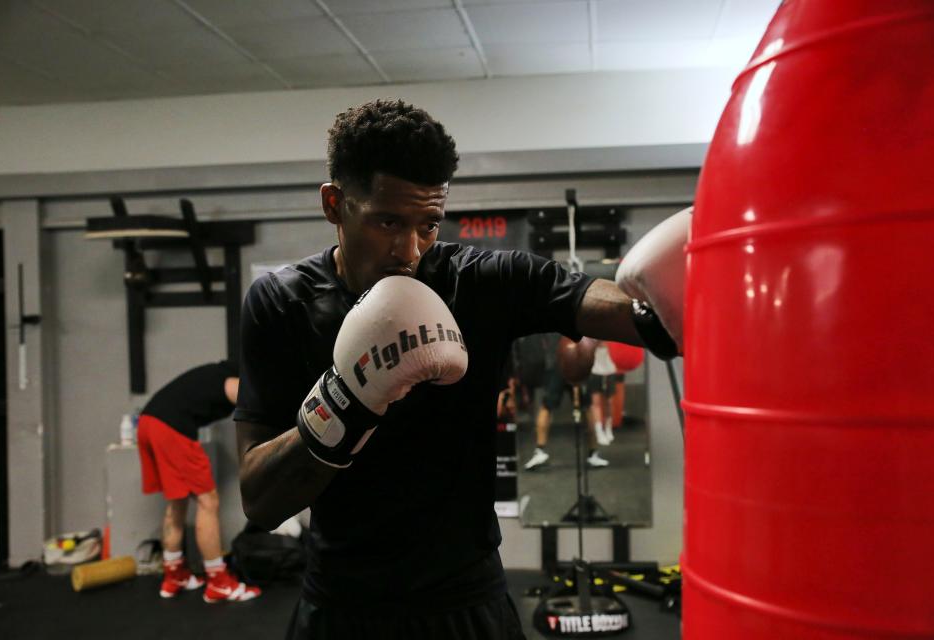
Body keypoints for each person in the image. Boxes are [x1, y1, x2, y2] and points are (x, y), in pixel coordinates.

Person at [234, 99, 680, 640]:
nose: (409, 250)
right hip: (342, 606)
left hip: (467, 603)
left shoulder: (482, 281)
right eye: (388, 221)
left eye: (428, 225)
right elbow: (259, 500)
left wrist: (670, 307)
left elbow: (609, 308)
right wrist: (348, 397)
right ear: (334, 204)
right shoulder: (282, 303)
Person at [137, 360, 261, 603]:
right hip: (171, 427)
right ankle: (219, 582)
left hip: (147, 423)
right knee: (208, 502)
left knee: (177, 501)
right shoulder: (230, 376)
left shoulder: (213, 373)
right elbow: (248, 402)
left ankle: (174, 575)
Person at [523, 335, 609, 471]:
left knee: (585, 406)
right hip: (560, 361)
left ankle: (592, 453)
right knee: (550, 406)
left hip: (575, 359)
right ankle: (540, 452)